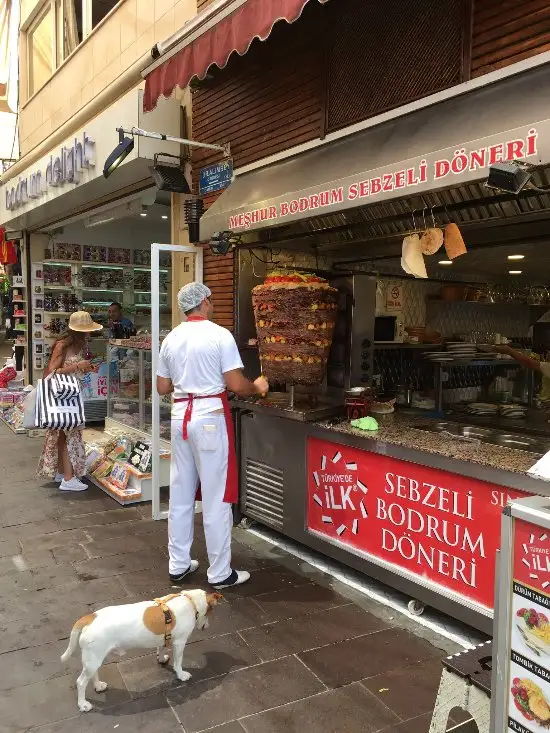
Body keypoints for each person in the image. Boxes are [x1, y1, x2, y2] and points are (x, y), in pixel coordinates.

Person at [157, 282, 269, 589]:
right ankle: (220, 573)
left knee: (180, 493)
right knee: (218, 495)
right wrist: (257, 387)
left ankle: (178, 565)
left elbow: (162, 387)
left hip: (181, 417)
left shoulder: (171, 338)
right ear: (204, 302)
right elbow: (236, 384)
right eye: (211, 299)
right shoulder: (220, 335)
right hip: (208, 418)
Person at [36, 311, 102, 491]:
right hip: (64, 397)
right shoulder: (62, 345)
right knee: (69, 436)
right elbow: (51, 372)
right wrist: (77, 366)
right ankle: (68, 478)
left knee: (63, 435)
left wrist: (86, 368)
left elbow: (73, 370)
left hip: (71, 395)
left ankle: (61, 472)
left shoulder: (80, 345)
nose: (89, 333)